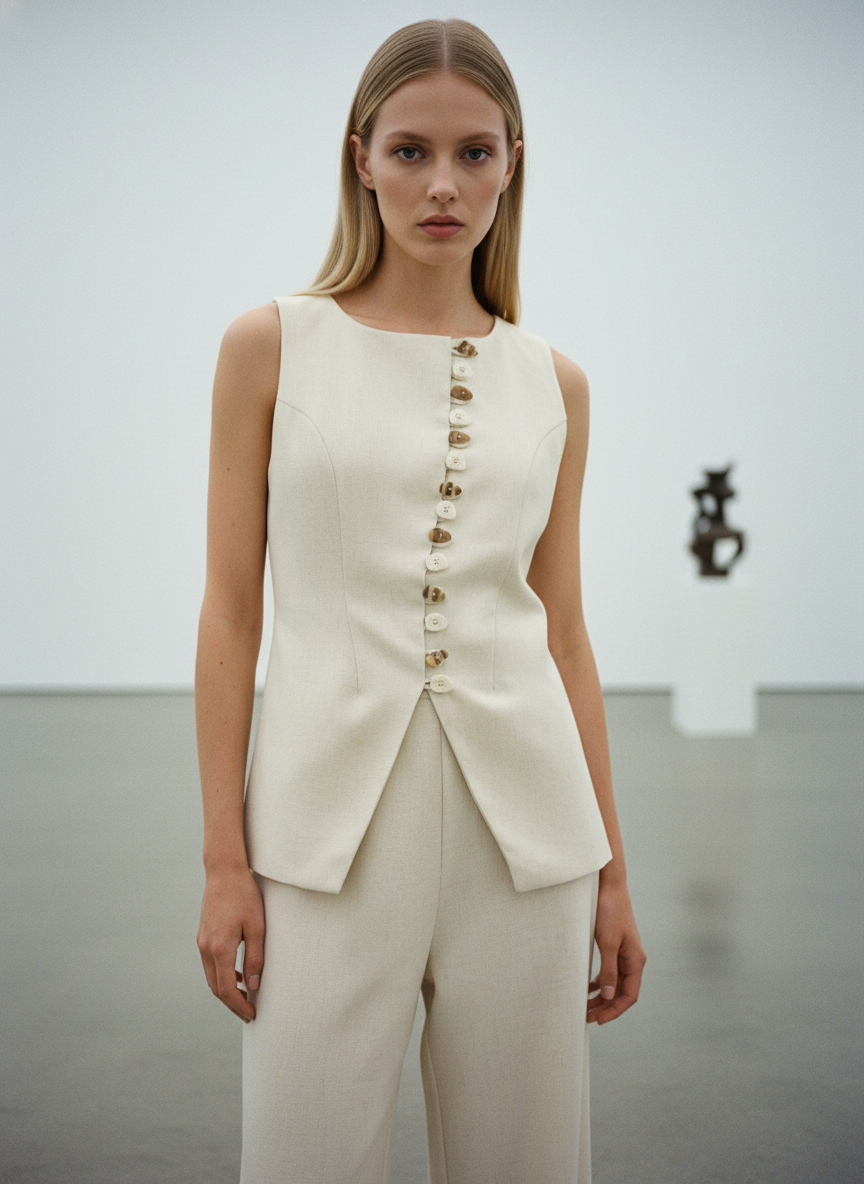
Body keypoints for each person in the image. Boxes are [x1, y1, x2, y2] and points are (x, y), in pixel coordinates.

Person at [195, 18, 646, 1184]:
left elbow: (567, 634)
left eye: (475, 153)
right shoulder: (269, 346)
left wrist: (612, 869)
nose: (443, 183)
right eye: (409, 151)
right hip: (321, 839)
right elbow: (231, 614)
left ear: (512, 163)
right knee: (301, 1157)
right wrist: (223, 862)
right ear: (360, 159)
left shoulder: (555, 383)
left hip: (528, 839)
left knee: (528, 1163)